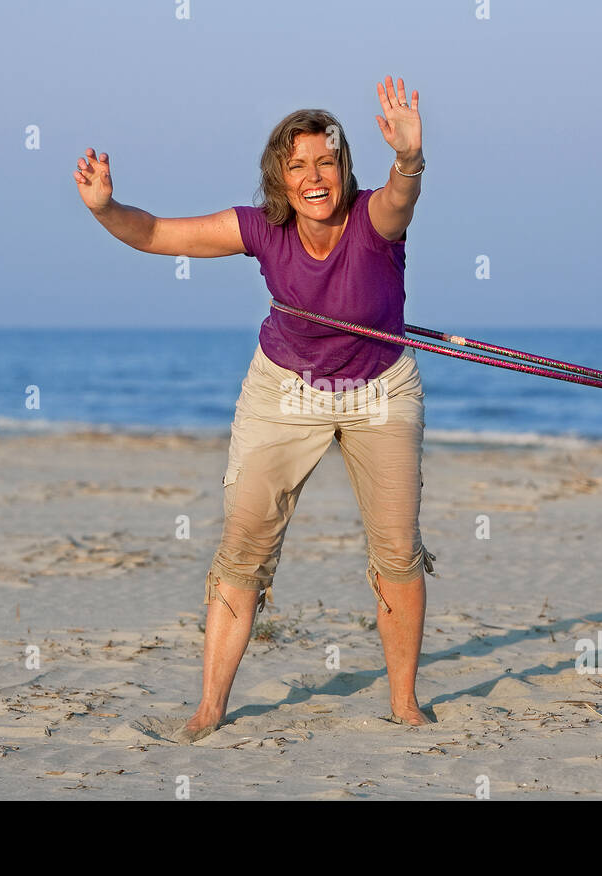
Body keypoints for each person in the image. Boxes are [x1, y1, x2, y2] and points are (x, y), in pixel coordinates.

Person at [74, 76, 435, 742]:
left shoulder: (374, 218)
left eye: (326, 160)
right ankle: (209, 707)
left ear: (346, 168)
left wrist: (408, 158)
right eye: (298, 165)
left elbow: (402, 197)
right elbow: (156, 233)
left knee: (397, 551)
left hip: (379, 388)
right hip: (285, 388)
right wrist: (105, 207)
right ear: (281, 177)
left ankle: (405, 702)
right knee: (242, 550)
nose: (314, 175)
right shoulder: (261, 230)